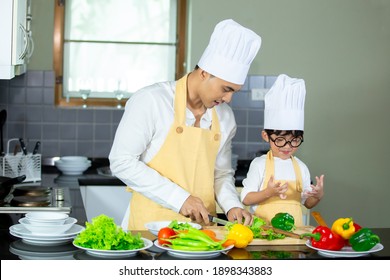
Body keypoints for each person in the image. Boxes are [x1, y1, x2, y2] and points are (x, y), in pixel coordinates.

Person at [109, 19, 262, 230]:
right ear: (205, 73)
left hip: (203, 232)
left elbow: (221, 174)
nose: (228, 99)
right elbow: (121, 161)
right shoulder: (152, 101)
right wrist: (180, 199)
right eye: (226, 89)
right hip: (151, 228)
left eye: (233, 92)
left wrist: (231, 205)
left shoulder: (225, 117)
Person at [240, 74, 324, 226]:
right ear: (266, 136)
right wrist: (268, 193)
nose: (287, 146)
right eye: (280, 140)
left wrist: (318, 196)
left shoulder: (301, 167)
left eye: (295, 141)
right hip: (263, 235)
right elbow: (246, 198)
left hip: (294, 236)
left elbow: (308, 204)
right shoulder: (259, 164)